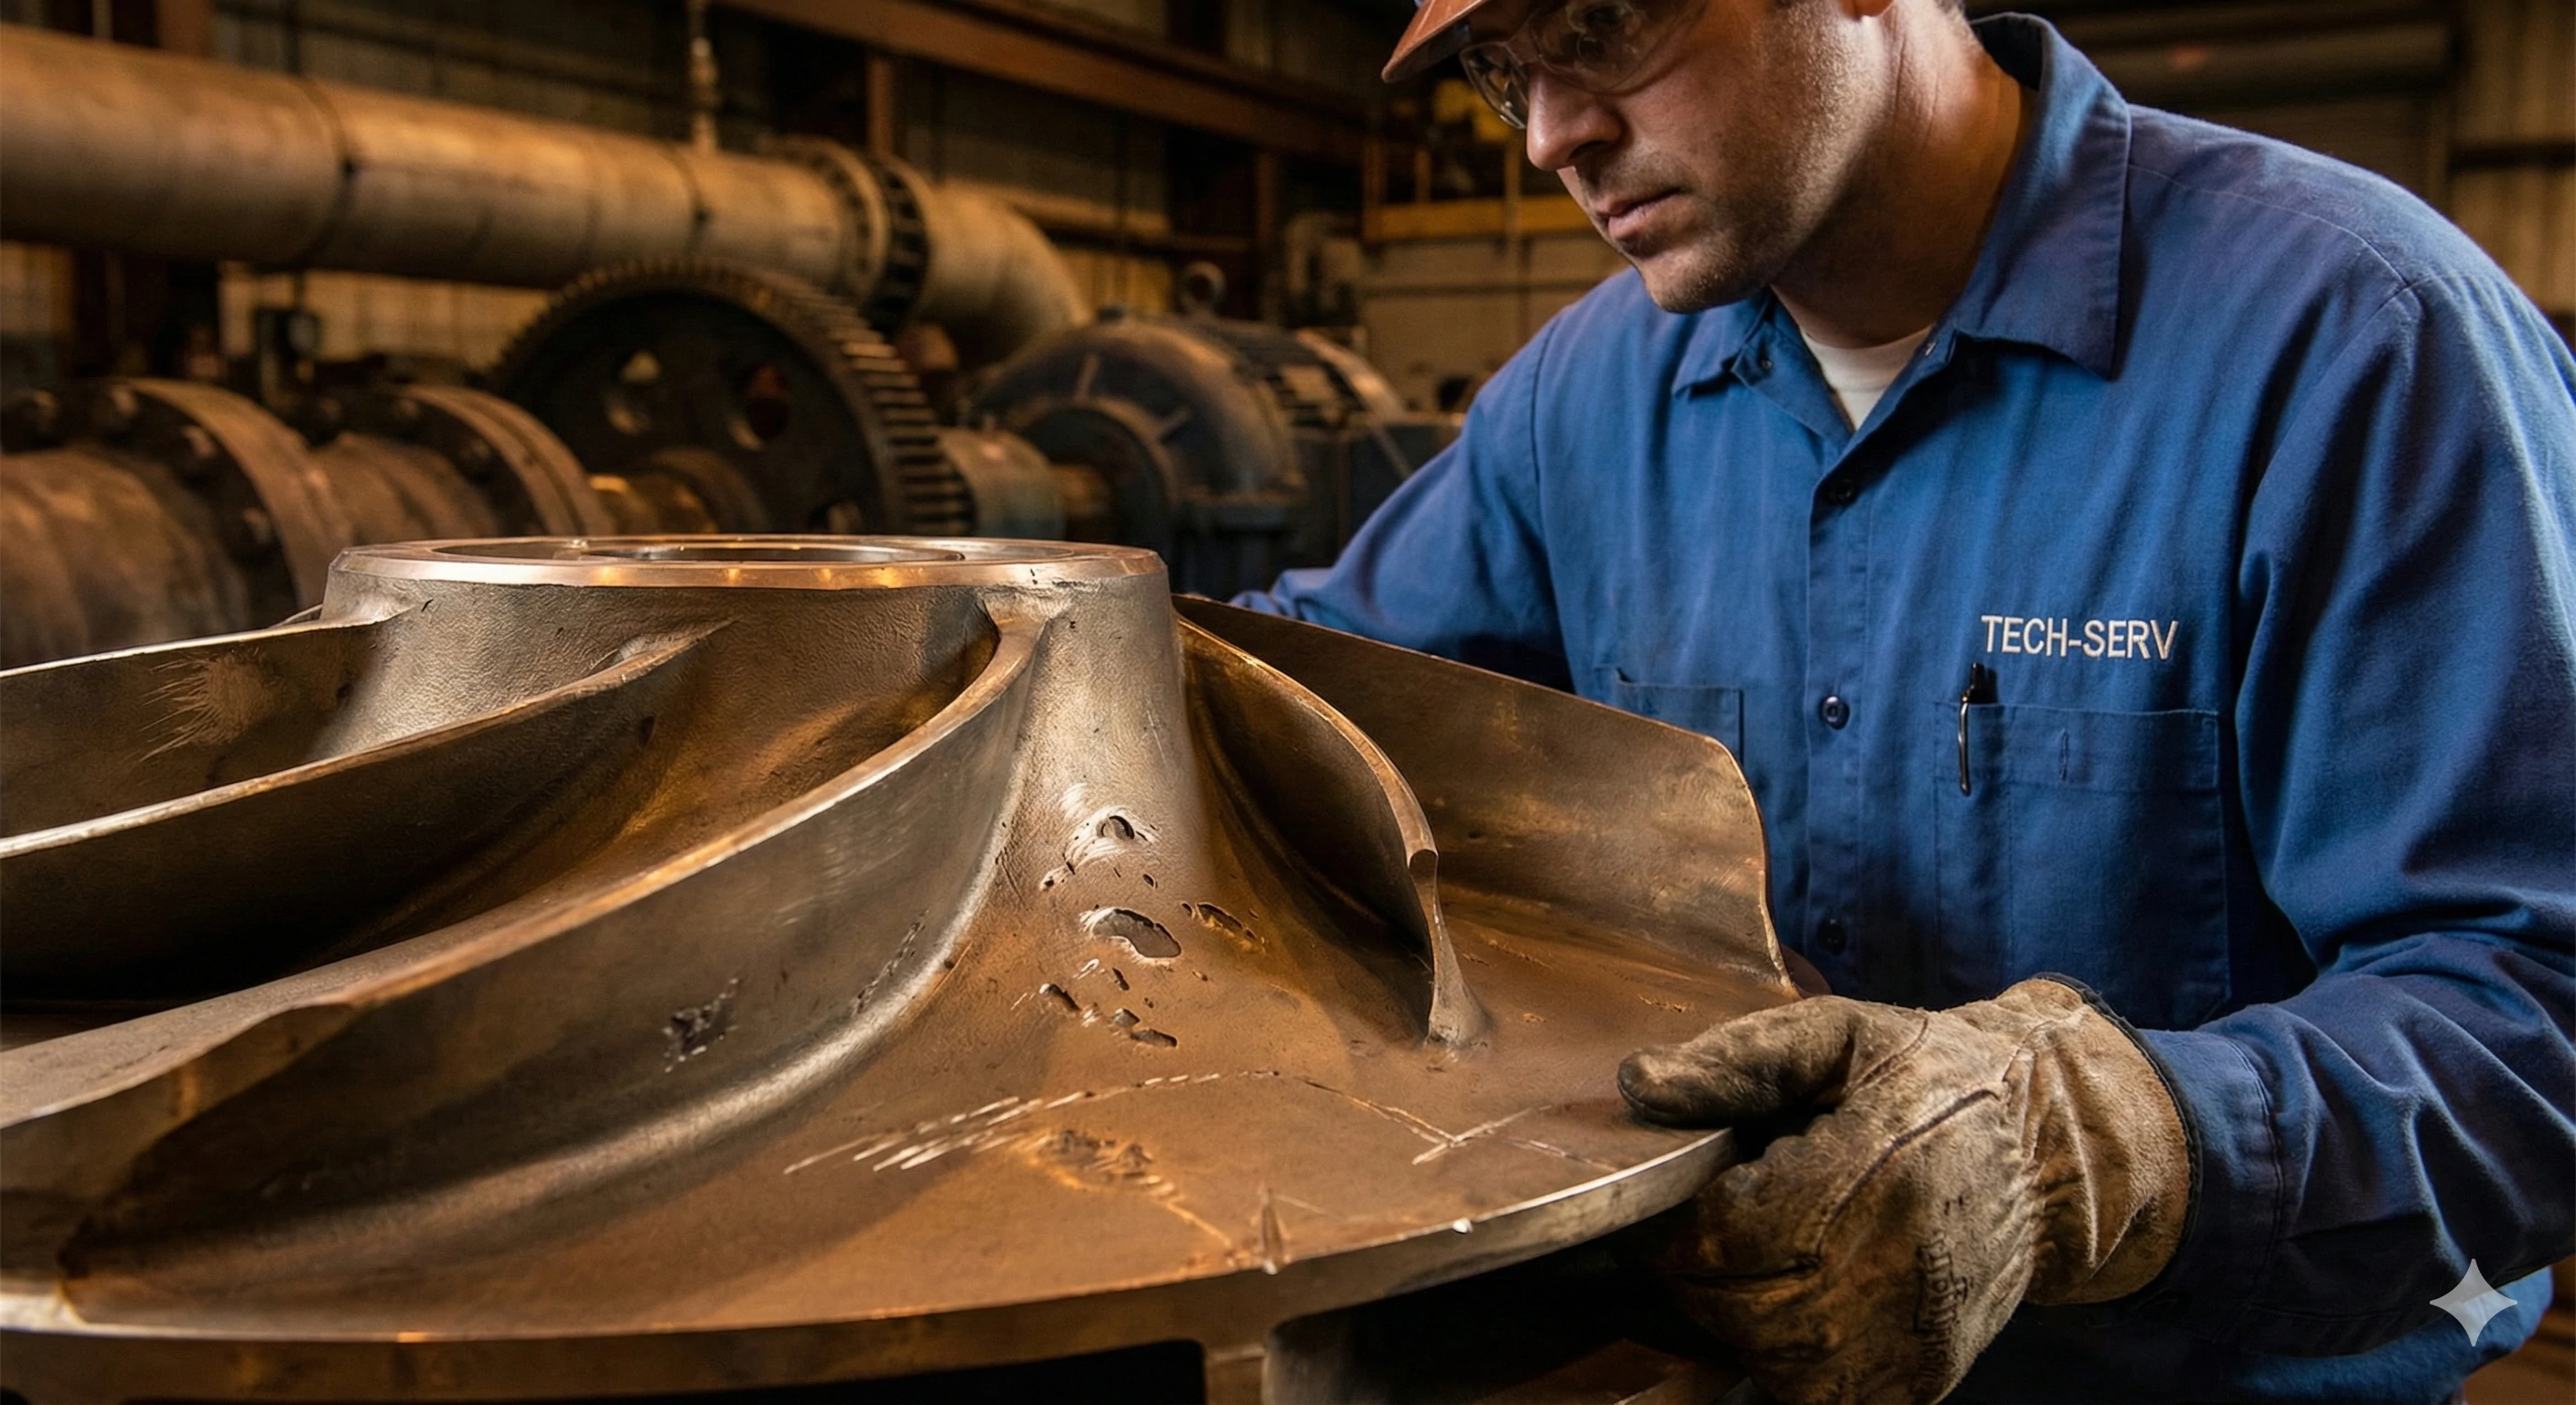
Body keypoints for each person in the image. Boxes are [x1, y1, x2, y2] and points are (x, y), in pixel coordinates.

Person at [1231, 0, 2576, 1400]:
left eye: (1604, 24)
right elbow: (1292, 684)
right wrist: (1021, 616)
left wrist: (2089, 1147)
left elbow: (2541, 1002)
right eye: (1510, 75)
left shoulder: (2358, 341)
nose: (1554, 137)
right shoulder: (1585, 401)